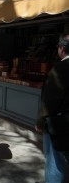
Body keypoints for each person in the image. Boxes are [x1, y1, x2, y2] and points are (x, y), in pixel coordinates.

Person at [35, 34, 69, 183]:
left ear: (62, 49)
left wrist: (40, 122)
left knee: (55, 162)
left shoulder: (61, 68)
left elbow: (51, 100)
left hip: (60, 124)